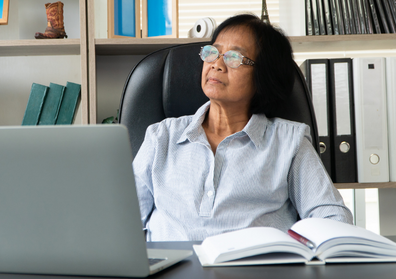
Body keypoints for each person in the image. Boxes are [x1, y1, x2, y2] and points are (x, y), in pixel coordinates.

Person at [133, 14, 353, 241]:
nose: (216, 65)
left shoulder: (289, 143)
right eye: (212, 52)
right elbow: (123, 222)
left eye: (233, 57)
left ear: (263, 77)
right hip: (171, 270)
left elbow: (334, 220)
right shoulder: (162, 136)